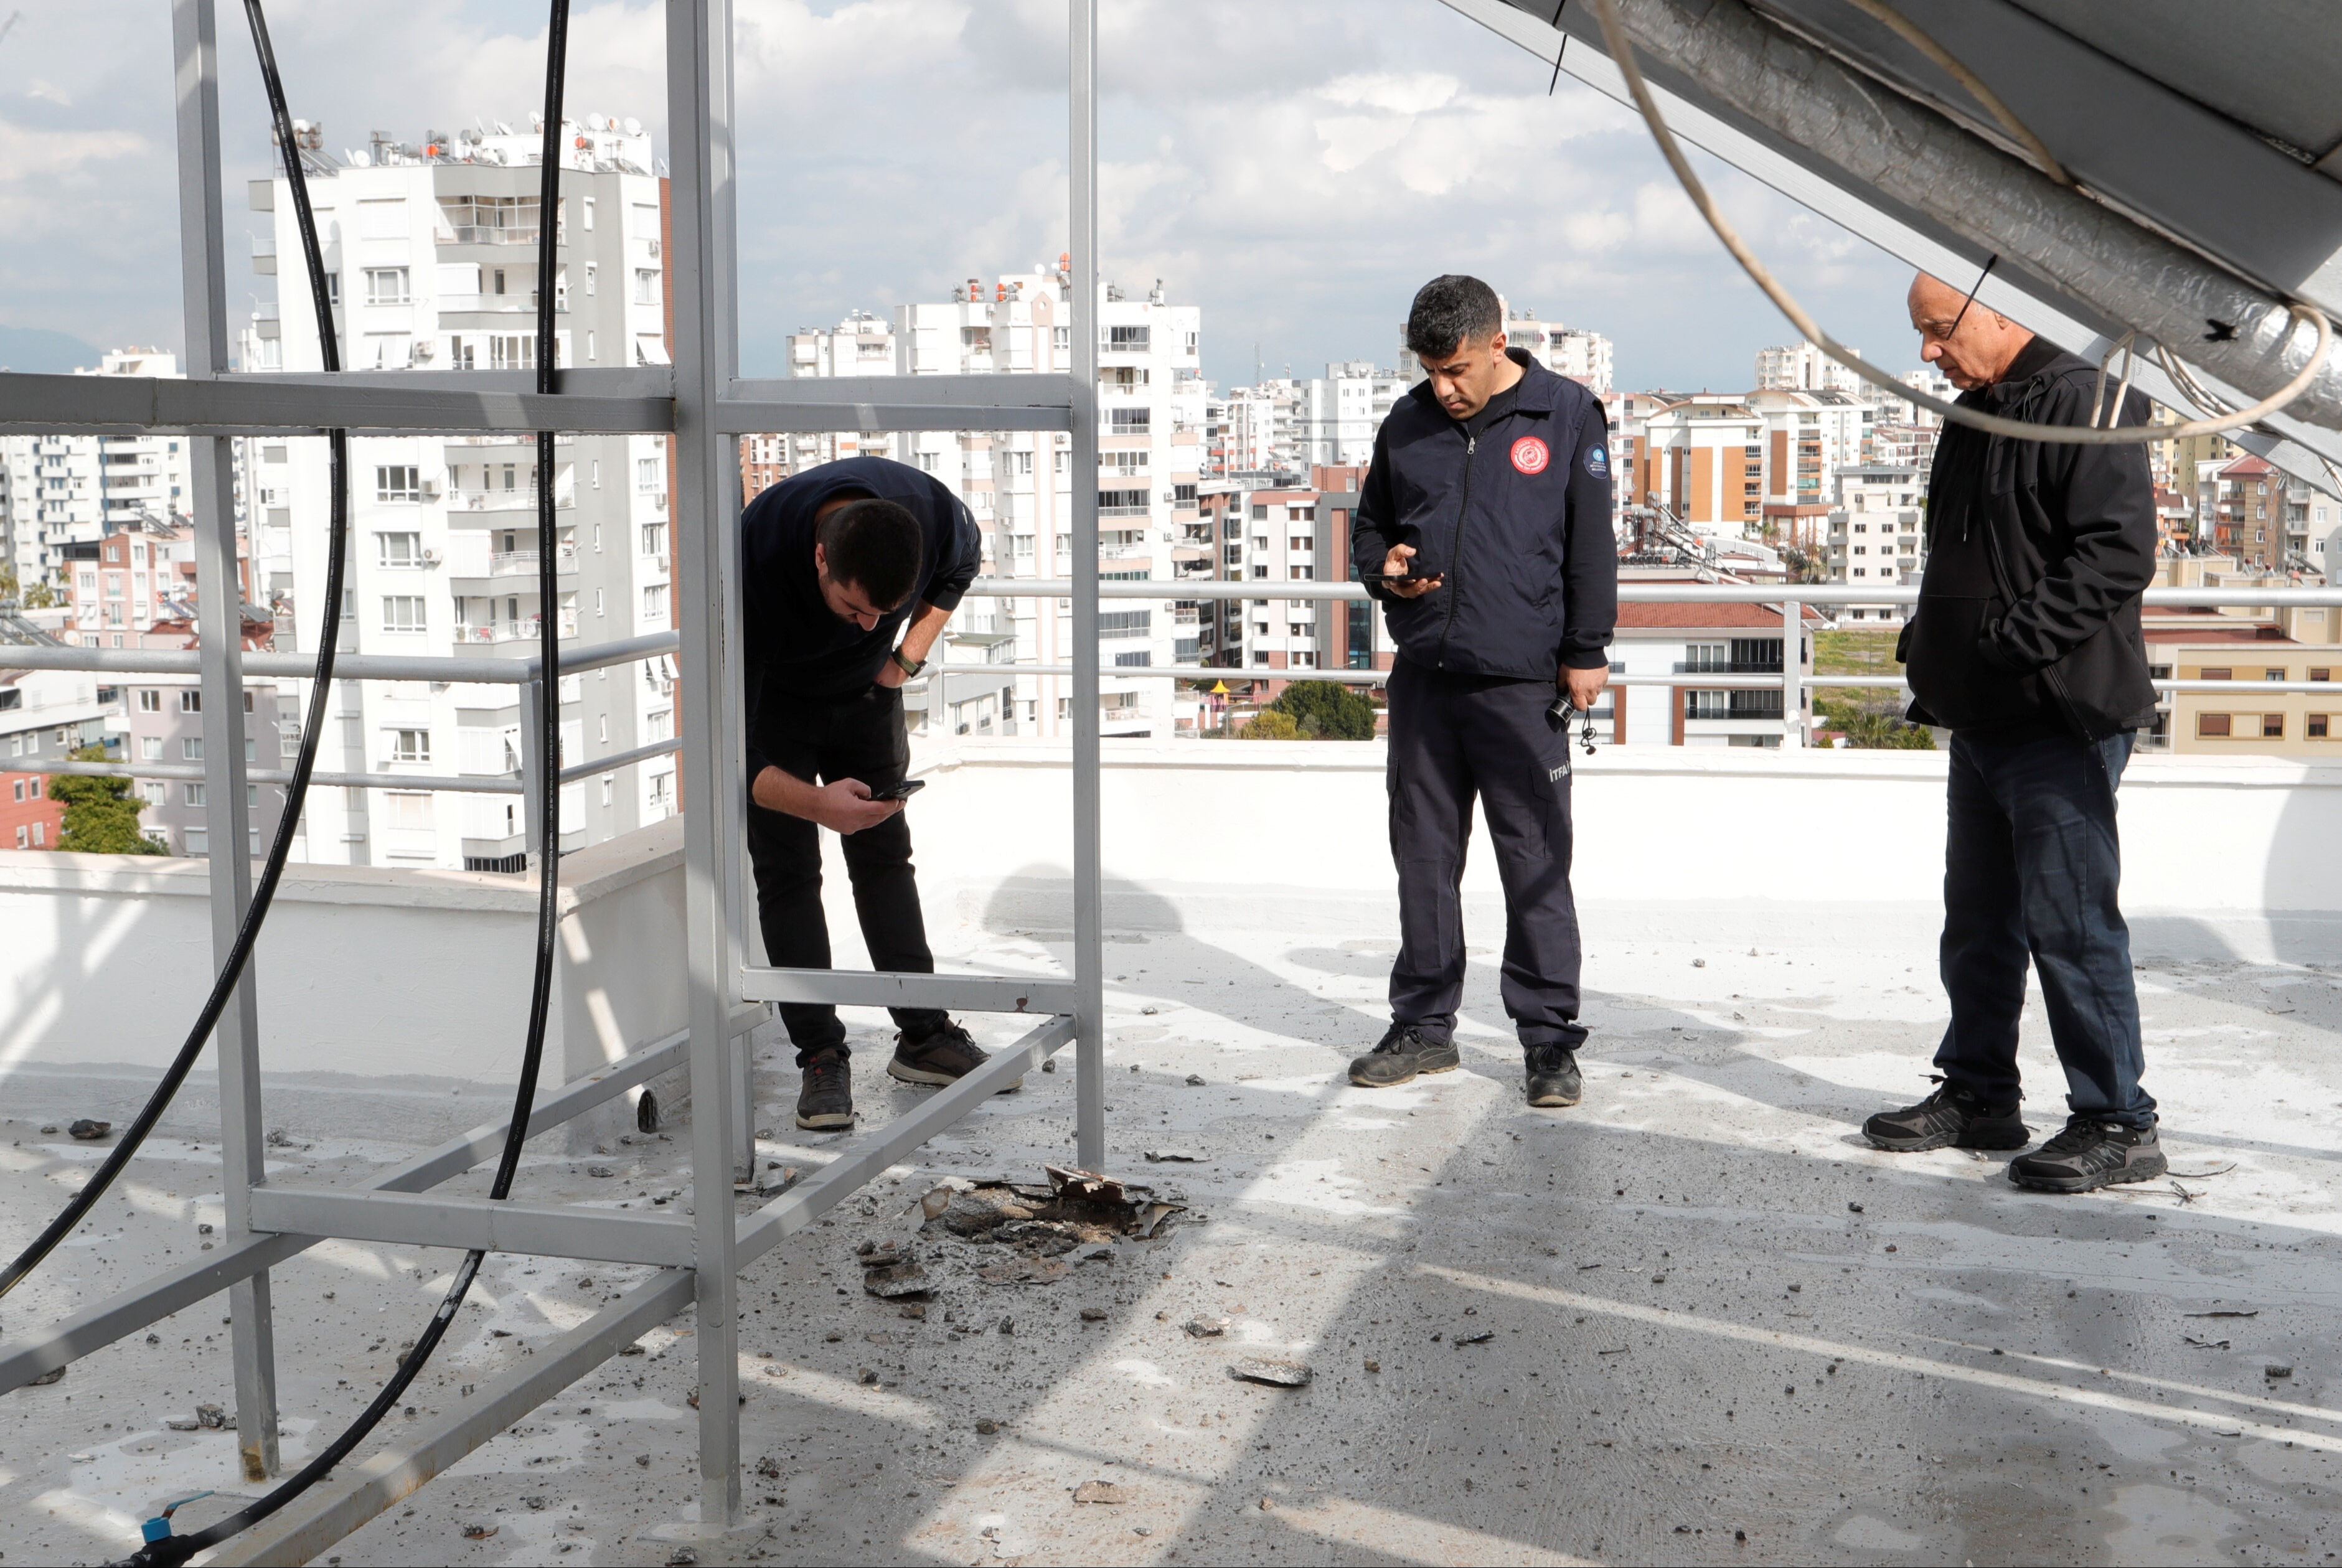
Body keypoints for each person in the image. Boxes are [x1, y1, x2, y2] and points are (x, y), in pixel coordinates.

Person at [1862, 271, 2166, 1193]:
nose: (1928, 350)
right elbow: (1956, 548)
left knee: (2070, 925)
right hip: (1981, 713)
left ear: (1998, 311)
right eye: (1921, 332)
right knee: (1978, 921)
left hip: (2055, 714)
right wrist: (1933, 640)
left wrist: (2003, 644)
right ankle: (1979, 1091)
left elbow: (2117, 550)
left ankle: (2118, 1119)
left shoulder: (2089, 400)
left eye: (1939, 328)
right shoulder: (1975, 409)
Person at [1345, 274, 1615, 1107]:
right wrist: (1382, 571)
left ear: (1497, 343)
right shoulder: (1408, 420)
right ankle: (1423, 1027)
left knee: (1533, 859)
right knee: (1422, 857)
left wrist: (1586, 648)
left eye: (1455, 369)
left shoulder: (1565, 415)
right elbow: (1369, 526)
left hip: (1522, 678)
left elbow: (1590, 544)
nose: (1442, 387)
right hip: (1425, 677)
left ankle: (1547, 1043)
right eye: (1429, 370)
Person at [740, 454, 1004, 1130]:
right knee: (789, 873)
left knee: (886, 855)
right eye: (853, 607)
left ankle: (923, 1033)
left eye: (879, 613)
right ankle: (821, 1056)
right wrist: (817, 804)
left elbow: (962, 565)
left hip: (868, 697)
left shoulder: (925, 508)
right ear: (821, 557)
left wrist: (902, 659)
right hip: (775, 706)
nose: (863, 624)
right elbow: (729, 752)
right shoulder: (752, 555)